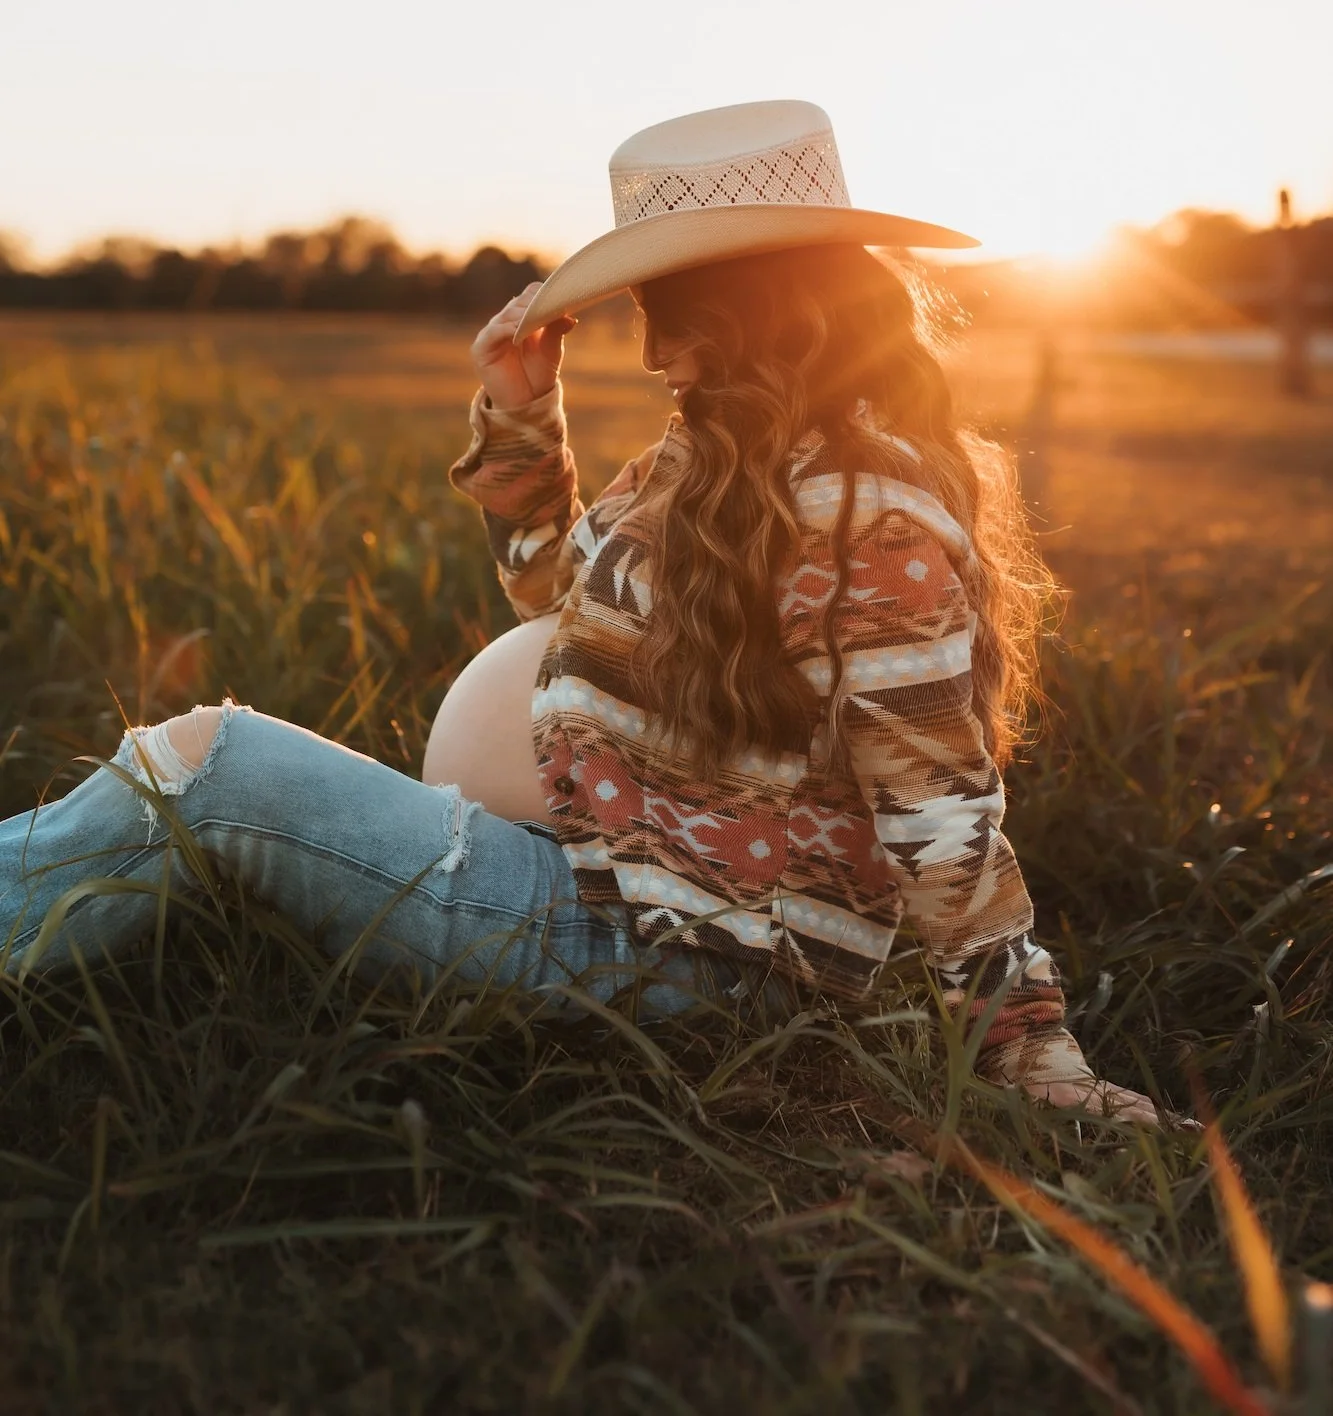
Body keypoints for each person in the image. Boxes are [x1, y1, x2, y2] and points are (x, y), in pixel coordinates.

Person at [0, 100, 1158, 1123]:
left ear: (767, 305)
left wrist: (1031, 1049)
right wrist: (521, 418)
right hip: (617, 888)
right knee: (208, 773)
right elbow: (562, 595)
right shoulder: (720, 459)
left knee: (214, 766)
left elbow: (939, 804)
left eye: (676, 306)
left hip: (681, 954)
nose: (652, 347)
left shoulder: (869, 509)